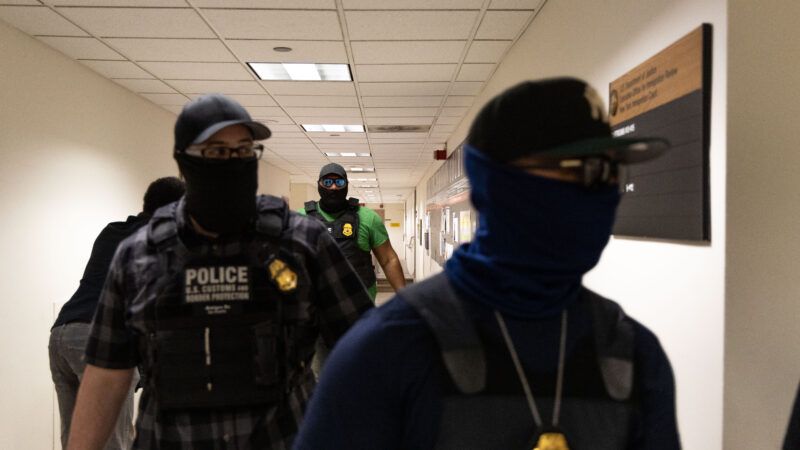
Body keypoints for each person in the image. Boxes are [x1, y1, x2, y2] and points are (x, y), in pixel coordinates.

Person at [294, 78, 682, 449]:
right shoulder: (388, 347)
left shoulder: (633, 353)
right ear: (494, 185)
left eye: (610, 172)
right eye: (576, 170)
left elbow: (389, 257)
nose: (600, 193)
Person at [67, 93, 373, 450]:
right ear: (183, 162)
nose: (234, 162)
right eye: (216, 152)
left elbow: (367, 350)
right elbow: (107, 373)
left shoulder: (303, 243)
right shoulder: (139, 255)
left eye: (244, 150)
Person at [49, 176, 185, 450]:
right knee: (114, 442)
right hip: (96, 338)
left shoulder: (112, 231)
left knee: (77, 441)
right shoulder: (159, 238)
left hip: (61, 334)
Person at [300, 163, 406, 301]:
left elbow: (388, 260)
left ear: (347, 185)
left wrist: (406, 299)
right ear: (319, 184)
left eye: (339, 182)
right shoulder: (300, 217)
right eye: (327, 182)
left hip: (359, 302)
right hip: (316, 303)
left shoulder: (368, 217)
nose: (333, 187)